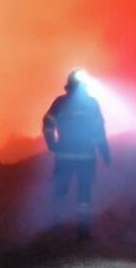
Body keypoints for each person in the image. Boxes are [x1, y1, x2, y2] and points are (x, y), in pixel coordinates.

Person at [42, 69, 111, 240]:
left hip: (64, 157)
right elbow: (99, 131)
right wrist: (105, 153)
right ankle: (83, 231)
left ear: (69, 85)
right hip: (86, 158)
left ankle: (57, 227)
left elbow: (48, 123)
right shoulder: (91, 103)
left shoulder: (60, 103)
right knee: (84, 195)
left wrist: (51, 143)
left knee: (60, 191)